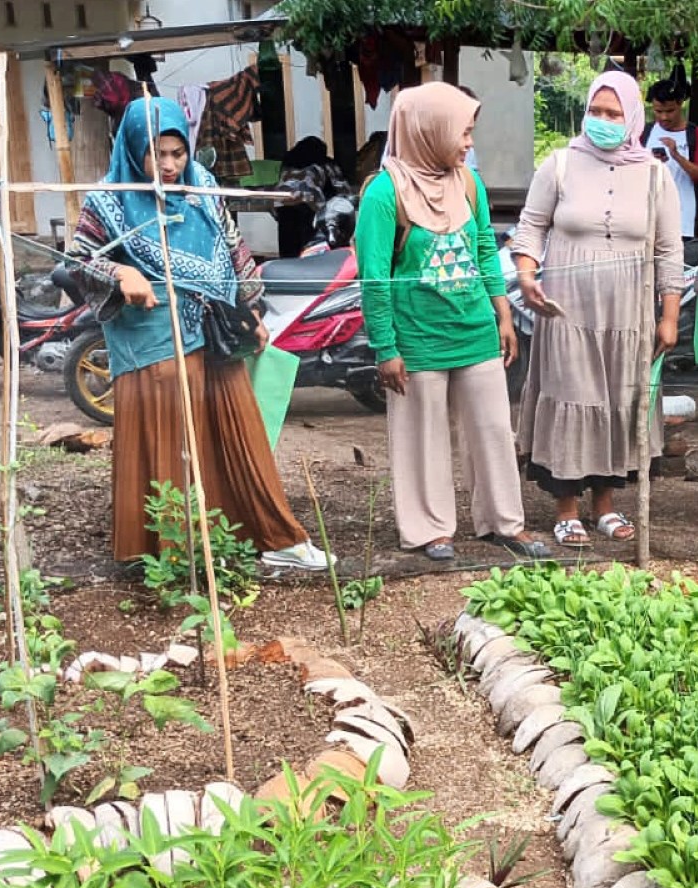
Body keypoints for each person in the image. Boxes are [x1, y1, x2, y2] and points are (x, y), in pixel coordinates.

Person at [69, 96, 330, 572]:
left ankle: (272, 535)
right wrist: (119, 275)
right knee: (170, 441)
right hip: (152, 343)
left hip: (217, 334)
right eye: (157, 154)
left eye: (177, 153)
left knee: (240, 432)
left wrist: (252, 311)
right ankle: (170, 555)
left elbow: (233, 249)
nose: (170, 165)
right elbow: (80, 260)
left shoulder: (203, 186)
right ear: (133, 150)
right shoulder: (108, 199)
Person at [355, 83, 551, 563]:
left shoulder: (467, 182)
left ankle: (504, 522)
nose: (467, 144)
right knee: (423, 435)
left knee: (492, 430)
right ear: (430, 130)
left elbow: (485, 248)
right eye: (462, 133)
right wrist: (386, 348)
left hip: (475, 330)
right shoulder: (383, 194)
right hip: (417, 338)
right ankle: (430, 529)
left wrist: (502, 313)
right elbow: (374, 278)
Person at [510, 73, 685, 547]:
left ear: (631, 117)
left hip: (628, 316)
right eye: (596, 112)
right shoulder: (560, 164)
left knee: (617, 400)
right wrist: (527, 277)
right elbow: (530, 230)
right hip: (566, 311)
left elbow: (670, 250)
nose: (603, 122)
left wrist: (669, 316)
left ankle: (604, 505)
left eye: (613, 114)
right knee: (571, 395)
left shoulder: (654, 175)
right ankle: (566, 509)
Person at [645, 78, 698, 237]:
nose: (664, 117)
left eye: (670, 111)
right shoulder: (645, 132)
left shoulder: (695, 135)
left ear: (681, 104)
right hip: (647, 218)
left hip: (684, 221)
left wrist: (676, 156)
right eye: (658, 111)